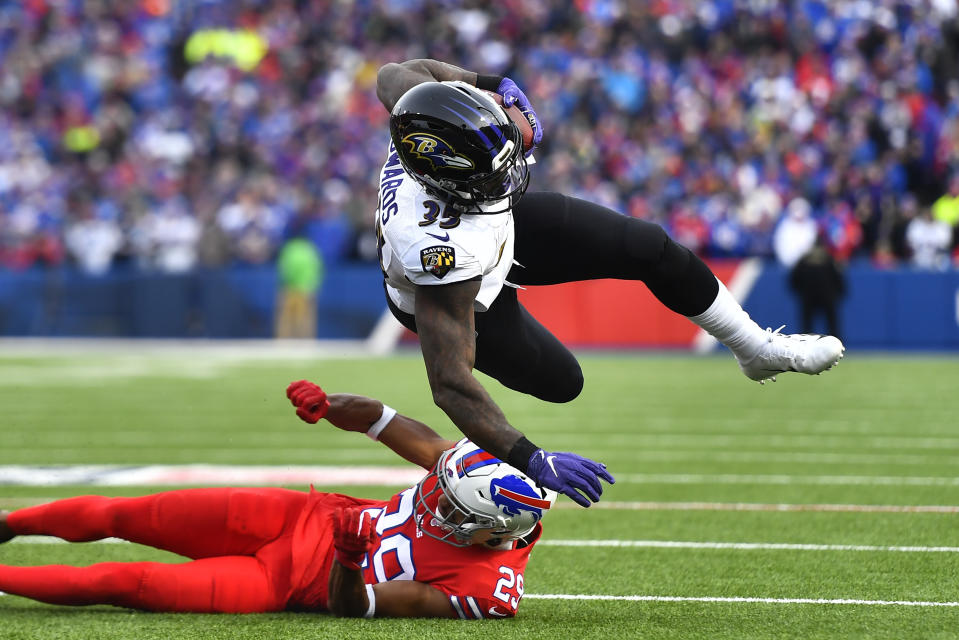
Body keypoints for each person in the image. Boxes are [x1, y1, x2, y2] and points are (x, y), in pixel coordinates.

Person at [373, 59, 846, 507]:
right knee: (563, 382)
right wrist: (530, 458)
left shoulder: (421, 109)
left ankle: (755, 349)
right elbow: (450, 383)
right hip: (468, 284)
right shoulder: (437, 259)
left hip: (489, 224)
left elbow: (394, 73)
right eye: (492, 175)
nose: (511, 177)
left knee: (647, 246)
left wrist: (489, 80)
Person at [0, 380, 555, 619]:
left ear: (493, 533)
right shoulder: (473, 472)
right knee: (126, 514)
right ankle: (8, 523)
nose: (437, 506)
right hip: (296, 513)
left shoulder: (485, 591)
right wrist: (328, 403)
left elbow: (355, 608)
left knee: (122, 583)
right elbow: (380, 419)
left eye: (454, 514)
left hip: (288, 583)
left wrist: (347, 558)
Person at [789, 235, 847, 340]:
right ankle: (836, 345)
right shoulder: (829, 258)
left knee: (806, 325)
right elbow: (838, 278)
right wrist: (839, 293)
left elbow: (794, 278)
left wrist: (800, 292)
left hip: (808, 296)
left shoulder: (804, 258)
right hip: (827, 297)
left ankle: (804, 346)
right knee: (832, 324)